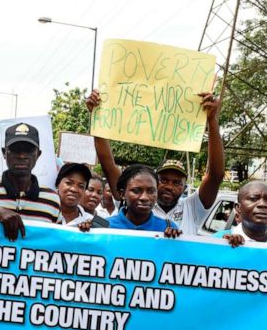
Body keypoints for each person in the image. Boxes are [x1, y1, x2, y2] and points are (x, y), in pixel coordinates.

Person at [87, 89, 225, 234]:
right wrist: (97, 117)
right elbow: (108, 165)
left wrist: (212, 121)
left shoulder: (192, 207)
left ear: (185, 188)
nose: (169, 186)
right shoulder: (132, 203)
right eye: (163, 180)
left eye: (177, 182)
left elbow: (216, 175)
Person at [0, 122, 60, 240]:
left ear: (38, 154)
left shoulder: (52, 199)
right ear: (4, 153)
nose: (21, 156)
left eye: (29, 150)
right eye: (15, 149)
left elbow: (60, 246)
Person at [108, 164, 181, 237]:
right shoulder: (105, 227)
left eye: (151, 191)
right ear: (122, 194)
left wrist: (174, 239)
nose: (144, 197)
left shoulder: (168, 228)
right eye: (136, 191)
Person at [214, 181, 267, 246]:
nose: (262, 204)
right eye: (254, 198)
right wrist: (223, 249)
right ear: (238, 208)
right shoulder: (216, 241)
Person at [56, 163, 107, 230]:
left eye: (81, 186)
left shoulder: (95, 224)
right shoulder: (43, 213)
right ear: (58, 184)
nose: (74, 189)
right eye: (69, 183)